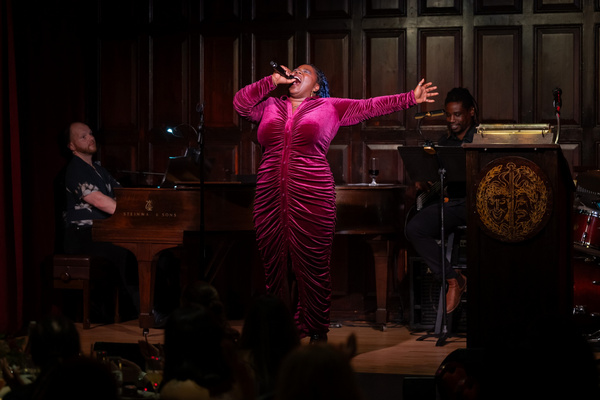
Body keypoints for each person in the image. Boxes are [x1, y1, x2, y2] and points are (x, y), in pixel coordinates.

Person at [233, 63, 438, 343]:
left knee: (313, 265)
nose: (296, 73)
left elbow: (370, 106)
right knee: (273, 264)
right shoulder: (270, 105)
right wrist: (271, 80)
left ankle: (316, 330)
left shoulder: (331, 107)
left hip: (312, 194)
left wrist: (409, 99)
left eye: (305, 71)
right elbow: (241, 103)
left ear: (317, 85)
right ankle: (276, 329)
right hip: (269, 194)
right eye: (294, 70)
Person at [405, 87, 478, 314]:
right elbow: (437, 178)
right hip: (450, 203)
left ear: (471, 112)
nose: (451, 120)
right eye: (448, 115)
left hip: (474, 204)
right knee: (414, 227)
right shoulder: (443, 142)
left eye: (457, 114)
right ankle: (454, 279)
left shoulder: (481, 138)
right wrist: (424, 182)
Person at [61, 121, 140, 320]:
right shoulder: (75, 170)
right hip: (83, 237)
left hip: (103, 231)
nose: (90, 138)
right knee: (126, 251)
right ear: (71, 146)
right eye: (83, 137)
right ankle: (142, 310)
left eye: (90, 134)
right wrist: (133, 213)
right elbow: (102, 202)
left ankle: (147, 307)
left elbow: (122, 196)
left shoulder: (99, 170)